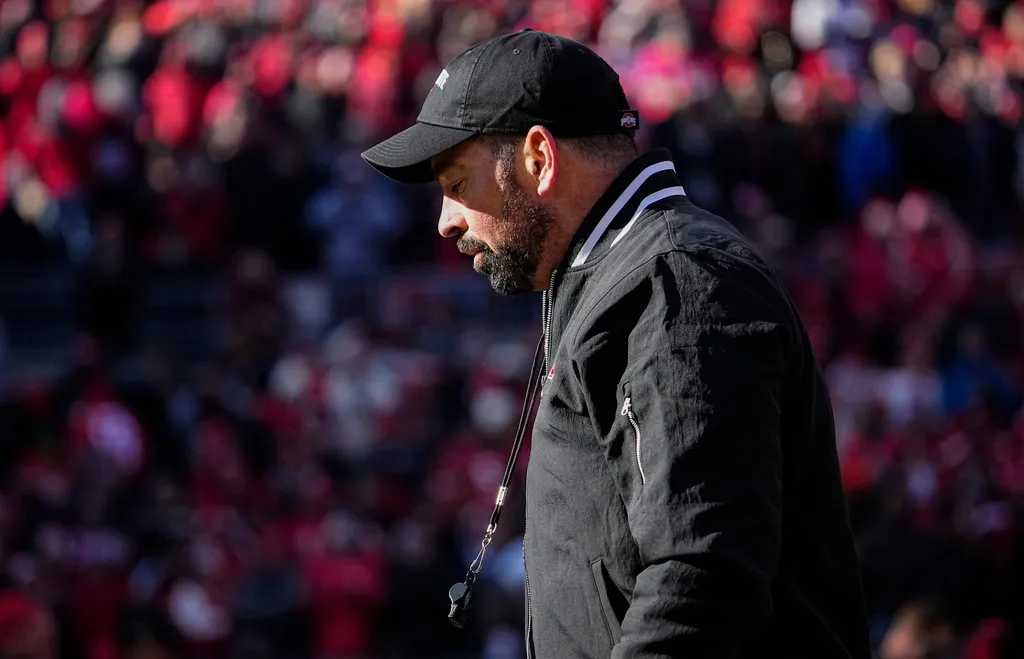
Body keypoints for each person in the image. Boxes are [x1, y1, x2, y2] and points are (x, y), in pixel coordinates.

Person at [362, 28, 872, 659]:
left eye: (458, 184)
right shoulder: (613, 275)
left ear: (540, 159)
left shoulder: (674, 282)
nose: (446, 221)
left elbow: (702, 573)